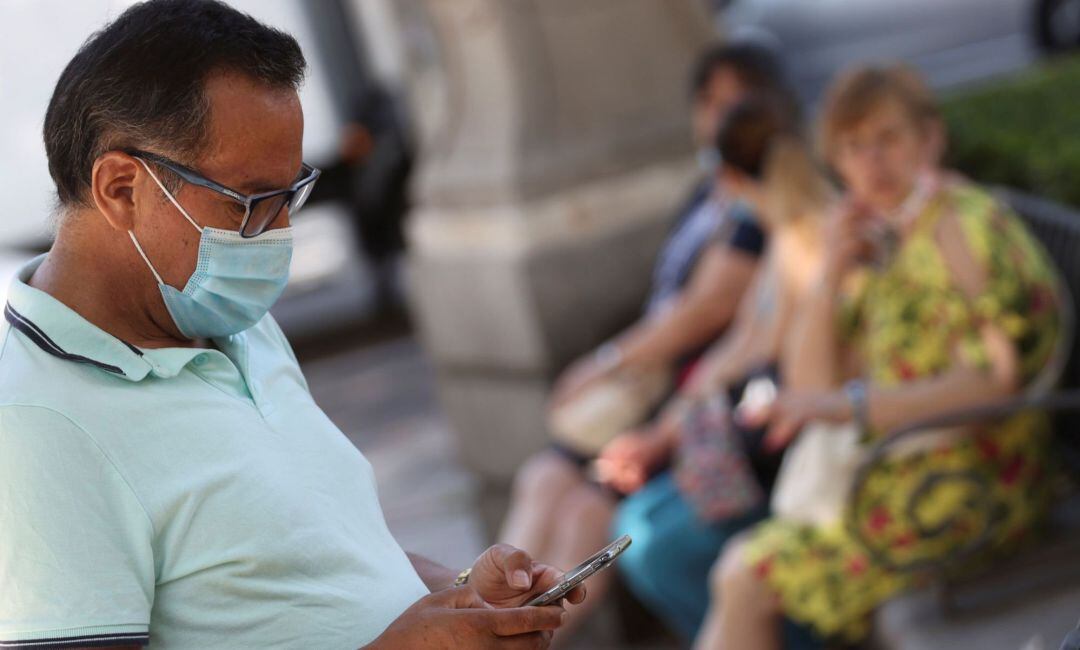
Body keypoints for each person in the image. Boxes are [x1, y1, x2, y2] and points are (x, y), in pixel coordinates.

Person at [0, 2, 581, 648]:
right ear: (120, 189)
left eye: (291, 195)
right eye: (252, 201)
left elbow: (316, 560)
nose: (279, 233)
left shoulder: (224, 317)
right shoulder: (34, 427)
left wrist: (464, 596)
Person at [695, 65, 1064, 650]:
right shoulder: (893, 232)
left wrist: (853, 406)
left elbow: (992, 384)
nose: (872, 163)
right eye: (852, 147)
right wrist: (829, 272)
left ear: (930, 139)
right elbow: (811, 382)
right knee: (738, 568)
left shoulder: (959, 226)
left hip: (973, 481)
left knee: (743, 574)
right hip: (915, 469)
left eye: (888, 138)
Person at [498, 42, 792, 640]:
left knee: (586, 515)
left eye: (737, 99)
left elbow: (709, 311)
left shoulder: (760, 206)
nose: (721, 116)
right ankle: (480, 625)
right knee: (543, 479)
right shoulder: (710, 194)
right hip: (662, 403)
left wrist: (608, 364)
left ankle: (510, 639)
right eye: (708, 101)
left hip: (701, 416)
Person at [607, 95, 830, 642]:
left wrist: (667, 430)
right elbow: (738, 350)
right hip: (764, 445)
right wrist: (662, 435)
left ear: (730, 178)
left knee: (655, 547)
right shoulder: (787, 238)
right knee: (636, 527)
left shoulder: (808, 241)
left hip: (786, 458)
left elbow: (780, 369)